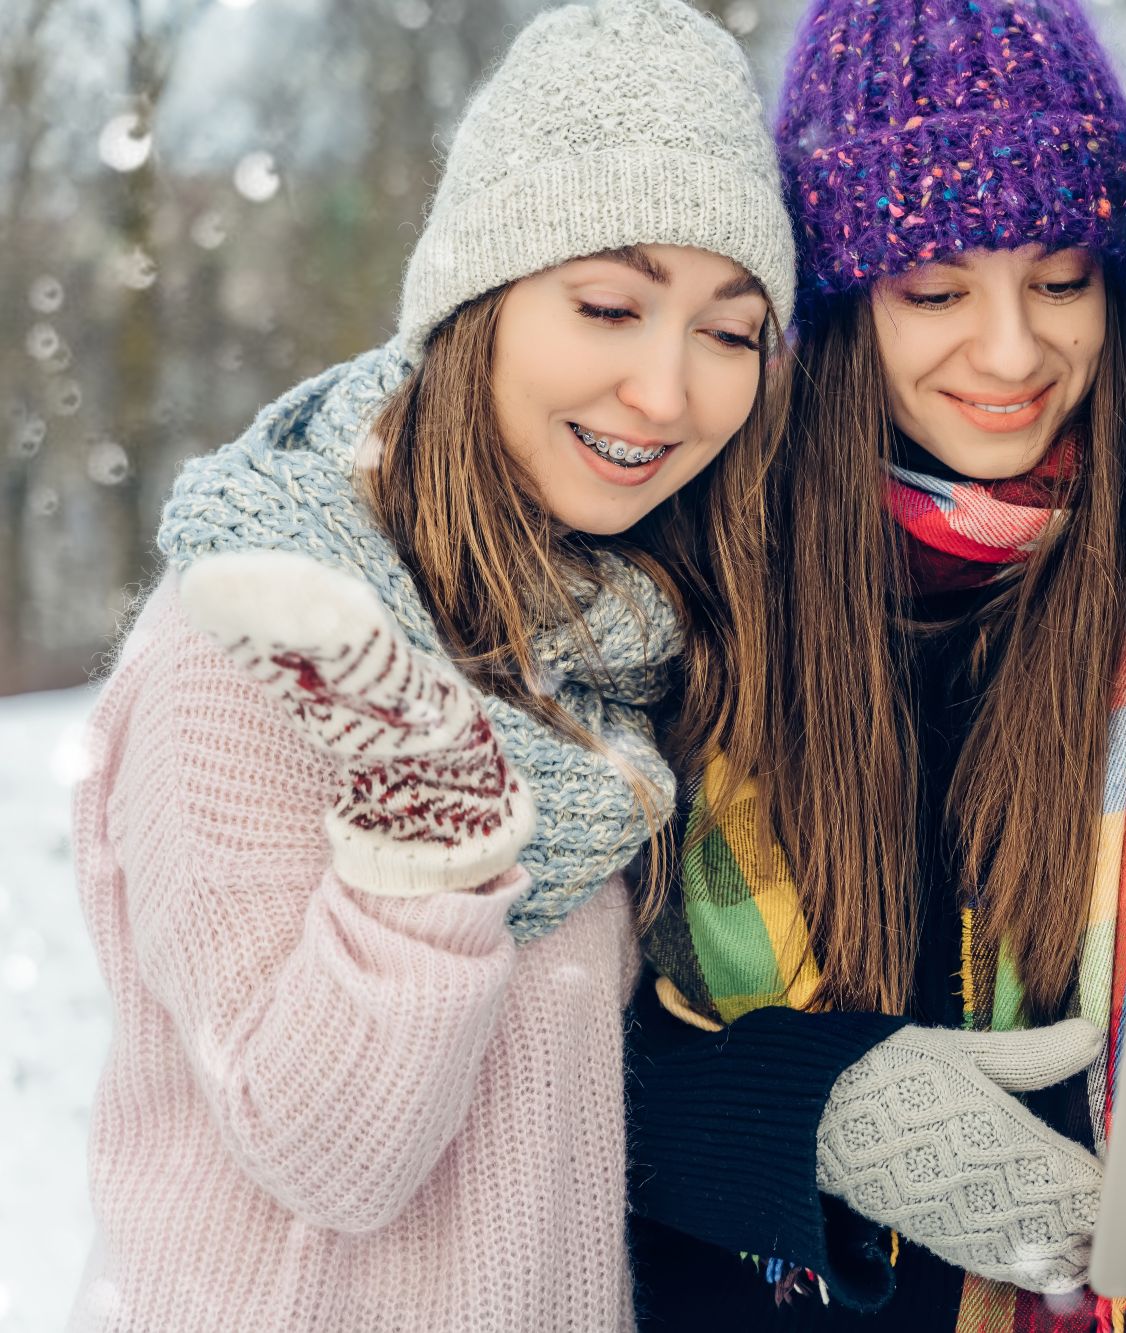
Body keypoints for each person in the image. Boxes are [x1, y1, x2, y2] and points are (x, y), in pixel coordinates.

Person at [624, 1, 1126, 1330]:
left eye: (1057, 280)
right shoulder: (696, 574)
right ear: (845, 300)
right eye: (936, 290)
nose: (1011, 353)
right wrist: (810, 1108)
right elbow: (537, 1065)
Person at [66, 2, 792, 1329]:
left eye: (729, 331)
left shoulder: (614, 646)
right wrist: (422, 842)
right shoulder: (260, 644)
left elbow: (560, 1103)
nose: (667, 392)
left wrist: (840, 1112)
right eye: (610, 304)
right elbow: (328, 1153)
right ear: (479, 305)